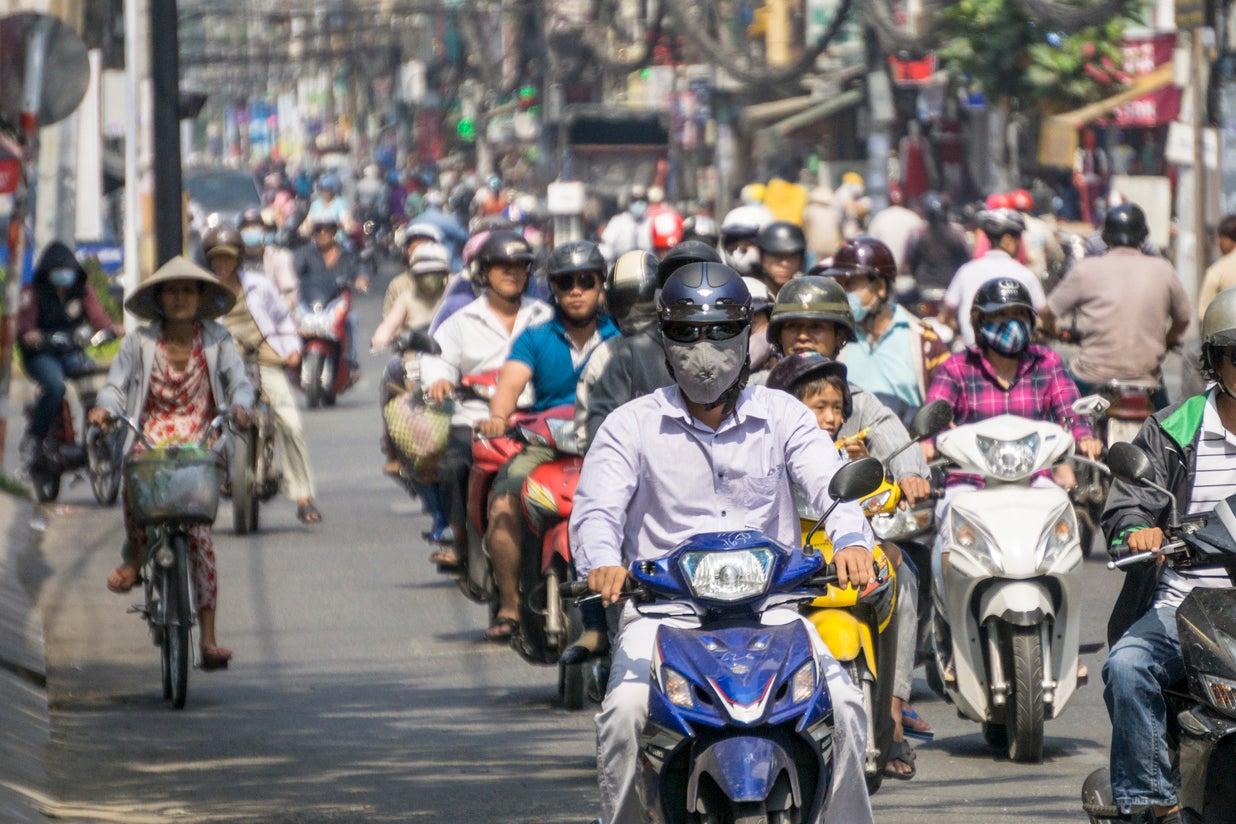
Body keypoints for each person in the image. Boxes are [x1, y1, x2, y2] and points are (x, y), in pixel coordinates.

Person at [570, 262, 876, 824]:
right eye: (687, 333)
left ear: (744, 338)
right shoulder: (629, 425)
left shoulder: (783, 414)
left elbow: (830, 485)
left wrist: (852, 540)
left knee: (848, 709)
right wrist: (603, 564)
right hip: (664, 616)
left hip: (775, 613)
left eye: (718, 332)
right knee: (624, 714)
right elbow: (596, 510)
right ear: (665, 340)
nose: (703, 349)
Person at [1098, 286, 1236, 824]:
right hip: (1185, 606)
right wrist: (1138, 530)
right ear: (1215, 362)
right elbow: (1128, 504)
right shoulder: (1173, 428)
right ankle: (1157, 802)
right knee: (1128, 667)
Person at [764, 351, 933, 779]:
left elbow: (881, 490)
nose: (832, 417)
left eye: (837, 409)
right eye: (819, 407)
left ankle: (889, 713)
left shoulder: (846, 452)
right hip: (790, 562)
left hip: (847, 557)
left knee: (896, 571)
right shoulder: (766, 456)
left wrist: (890, 482)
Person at [90, 256, 253, 671]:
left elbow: (239, 383)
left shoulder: (217, 340)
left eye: (188, 290)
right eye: (172, 290)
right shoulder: (139, 342)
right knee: (135, 477)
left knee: (199, 537)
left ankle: (210, 639)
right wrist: (105, 409)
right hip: (151, 436)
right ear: (160, 299)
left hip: (200, 439)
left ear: (200, 298)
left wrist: (240, 406)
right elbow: (116, 385)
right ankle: (135, 554)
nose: (180, 298)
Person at [476, 240, 619, 641]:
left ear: (601, 286)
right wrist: (498, 417)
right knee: (503, 504)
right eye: (565, 282)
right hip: (544, 446)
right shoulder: (535, 338)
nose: (576, 291)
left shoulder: (619, 334)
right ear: (552, 289)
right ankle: (510, 604)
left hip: (607, 445)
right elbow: (509, 384)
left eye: (585, 281)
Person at [420, 230, 552, 570]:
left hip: (538, 420)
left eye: (519, 266)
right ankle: (460, 538)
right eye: (501, 265)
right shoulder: (460, 321)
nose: (511, 273)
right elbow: (438, 358)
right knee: (453, 466)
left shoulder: (546, 318)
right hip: (475, 419)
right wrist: (438, 381)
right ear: (483, 272)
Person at [925, 277, 1102, 485]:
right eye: (1000, 315)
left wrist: (1084, 437)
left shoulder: (1047, 362)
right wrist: (927, 442)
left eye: (1019, 314)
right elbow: (932, 419)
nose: (1011, 323)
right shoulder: (957, 367)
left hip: (1034, 478)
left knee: (1062, 512)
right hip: (969, 481)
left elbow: (1070, 412)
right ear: (978, 321)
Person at [204, 225, 322, 525]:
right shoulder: (203, 291)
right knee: (203, 424)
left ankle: (303, 496)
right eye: (216, 258)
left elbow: (283, 318)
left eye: (227, 258)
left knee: (291, 423)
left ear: (238, 259)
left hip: (264, 356)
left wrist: (293, 347)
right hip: (221, 365)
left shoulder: (258, 284)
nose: (222, 264)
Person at [1040, 202, 1190, 410]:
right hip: (1146, 380)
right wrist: (1166, 340)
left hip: (1091, 376)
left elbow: (1048, 312)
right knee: (1168, 432)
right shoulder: (1163, 269)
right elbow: (1183, 318)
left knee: (1060, 414)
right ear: (1143, 236)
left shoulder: (1086, 269)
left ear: (1105, 236)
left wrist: (1052, 331)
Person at [580, 240, 722, 450]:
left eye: (702, 282)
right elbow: (602, 436)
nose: (691, 292)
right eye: (676, 282)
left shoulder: (739, 343)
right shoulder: (627, 354)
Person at [19, 241, 123, 460]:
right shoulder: (33, 292)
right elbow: (25, 324)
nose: (64, 275)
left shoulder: (82, 290)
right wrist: (31, 335)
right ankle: (35, 437)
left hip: (71, 349)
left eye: (68, 270)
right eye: (58, 270)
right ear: (47, 272)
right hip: (41, 354)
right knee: (56, 387)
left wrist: (111, 329)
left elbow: (97, 316)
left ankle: (97, 431)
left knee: (94, 381)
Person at [827, 236, 951, 417]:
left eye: (850, 284)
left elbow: (944, 402)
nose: (843, 293)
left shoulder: (923, 339)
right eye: (839, 284)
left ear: (880, 287)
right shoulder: (834, 338)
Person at [940, 209, 1046, 348]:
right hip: (1013, 357)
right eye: (1018, 239)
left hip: (970, 349)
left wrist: (956, 327)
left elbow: (946, 314)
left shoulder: (966, 271)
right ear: (1008, 240)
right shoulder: (1025, 275)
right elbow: (1044, 315)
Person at [293, 215, 368, 374]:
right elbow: (293, 272)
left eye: (327, 230)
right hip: (312, 302)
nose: (322, 234)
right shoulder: (305, 254)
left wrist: (361, 279)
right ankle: (292, 354)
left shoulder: (347, 254)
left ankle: (350, 359)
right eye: (318, 230)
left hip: (337, 302)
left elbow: (359, 270)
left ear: (334, 232)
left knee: (352, 319)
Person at [904, 191, 970, 294]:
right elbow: (966, 260)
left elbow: (912, 263)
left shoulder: (920, 236)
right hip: (944, 286)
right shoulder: (955, 235)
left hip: (933, 285)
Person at [238, 207, 298, 309]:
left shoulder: (278, 256)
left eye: (254, 227)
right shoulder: (235, 257)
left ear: (263, 230)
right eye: (246, 227)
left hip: (273, 309)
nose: (250, 230)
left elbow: (289, 292)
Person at [383, 222, 445, 317]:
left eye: (425, 247)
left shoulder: (451, 283)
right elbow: (389, 322)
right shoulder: (398, 285)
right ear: (406, 251)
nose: (420, 252)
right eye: (414, 248)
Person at [718, 203, 774, 275]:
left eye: (747, 243)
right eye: (733, 244)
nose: (738, 251)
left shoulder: (782, 282)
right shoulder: (720, 281)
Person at [1198, 213, 1236, 319]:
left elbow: (1204, 315)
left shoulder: (1217, 271)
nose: (1219, 243)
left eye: (1220, 238)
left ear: (1228, 238)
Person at [599, 184, 649, 263]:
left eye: (642, 200)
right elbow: (606, 248)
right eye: (634, 200)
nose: (638, 203)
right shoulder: (618, 222)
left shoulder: (650, 222)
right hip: (622, 266)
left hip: (646, 268)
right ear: (628, 202)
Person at [756, 220, 807, 297]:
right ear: (762, 256)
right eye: (776, 256)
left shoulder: (807, 295)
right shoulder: (750, 294)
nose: (784, 263)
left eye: (792, 256)